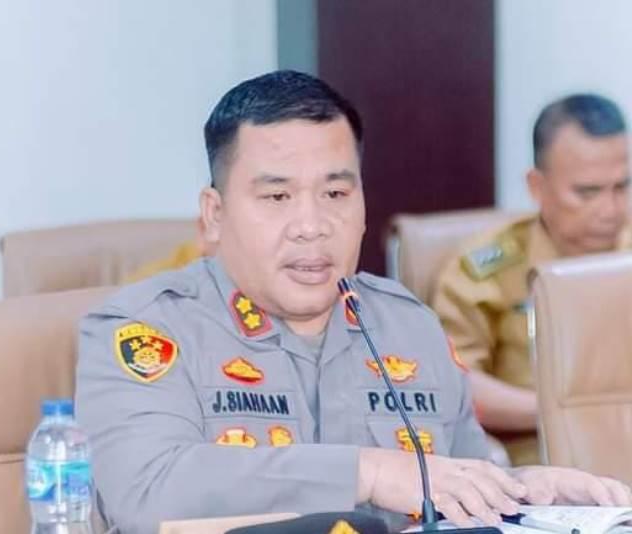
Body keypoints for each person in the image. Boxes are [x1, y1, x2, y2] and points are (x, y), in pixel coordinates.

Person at [75, 73, 631, 534]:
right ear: (215, 215)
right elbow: (144, 493)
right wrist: (368, 472)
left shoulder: (405, 325)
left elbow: (458, 482)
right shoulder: (147, 329)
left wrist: (526, 492)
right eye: (277, 196)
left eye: (336, 194)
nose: (312, 225)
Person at [432, 94, 632, 466]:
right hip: (539, 460)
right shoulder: (487, 270)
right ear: (537, 186)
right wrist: (563, 413)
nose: (610, 209)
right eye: (587, 192)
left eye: (622, 187)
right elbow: (452, 381)